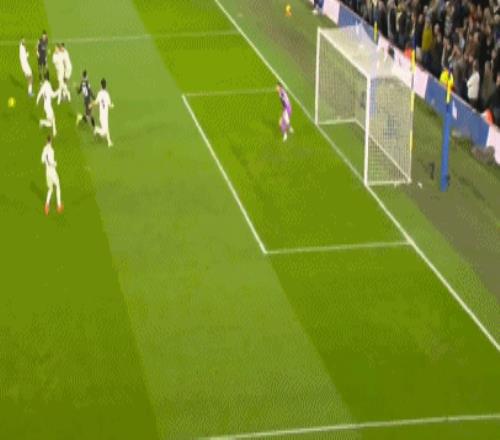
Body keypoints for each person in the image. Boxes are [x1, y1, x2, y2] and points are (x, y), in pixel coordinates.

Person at [41, 135, 63, 215]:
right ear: (51, 141)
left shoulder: (44, 149)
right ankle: (59, 206)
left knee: (50, 189)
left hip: (47, 172)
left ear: (46, 141)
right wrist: (55, 163)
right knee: (58, 186)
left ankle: (46, 205)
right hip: (52, 172)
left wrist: (47, 162)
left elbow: (42, 160)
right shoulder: (51, 150)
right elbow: (51, 162)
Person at [92, 78, 114, 147]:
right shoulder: (107, 94)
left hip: (102, 114)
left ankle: (109, 142)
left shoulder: (99, 93)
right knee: (104, 131)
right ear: (106, 85)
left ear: (101, 85)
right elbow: (110, 105)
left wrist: (91, 105)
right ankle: (96, 129)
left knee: (107, 128)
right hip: (104, 115)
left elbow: (96, 102)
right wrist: (112, 105)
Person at [36, 72, 57, 136]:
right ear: (48, 78)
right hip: (47, 106)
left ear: (44, 78)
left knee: (52, 120)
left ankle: (43, 122)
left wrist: (37, 101)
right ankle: (54, 131)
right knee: (52, 120)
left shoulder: (44, 85)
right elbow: (53, 95)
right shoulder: (48, 85)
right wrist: (58, 91)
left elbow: (40, 93)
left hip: (46, 105)